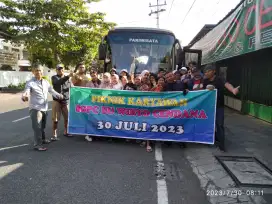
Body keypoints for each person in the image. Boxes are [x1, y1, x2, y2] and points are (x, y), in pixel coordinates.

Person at [22, 64, 63, 151]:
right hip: (36, 108)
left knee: (43, 126)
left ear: (42, 72)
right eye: (36, 70)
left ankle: (43, 139)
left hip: (44, 107)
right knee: (37, 127)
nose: (38, 72)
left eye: (40, 70)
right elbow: (27, 91)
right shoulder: (30, 82)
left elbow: (51, 90)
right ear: (33, 72)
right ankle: (37, 145)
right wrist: (25, 96)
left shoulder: (45, 82)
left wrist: (58, 95)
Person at [203, 64, 239, 152]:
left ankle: (222, 145)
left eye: (208, 71)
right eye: (205, 71)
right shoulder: (205, 81)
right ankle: (212, 139)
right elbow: (201, 91)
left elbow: (227, 84)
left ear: (213, 71)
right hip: (209, 107)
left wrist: (233, 90)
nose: (206, 73)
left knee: (219, 125)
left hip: (219, 106)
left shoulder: (220, 79)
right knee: (210, 124)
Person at [51, 64, 73, 140]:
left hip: (65, 101)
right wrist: (68, 76)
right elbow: (58, 82)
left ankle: (66, 131)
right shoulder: (54, 77)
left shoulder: (68, 79)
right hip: (57, 101)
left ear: (64, 69)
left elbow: (71, 87)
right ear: (56, 70)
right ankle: (54, 134)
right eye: (59, 69)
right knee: (55, 119)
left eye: (62, 69)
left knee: (67, 118)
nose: (60, 70)